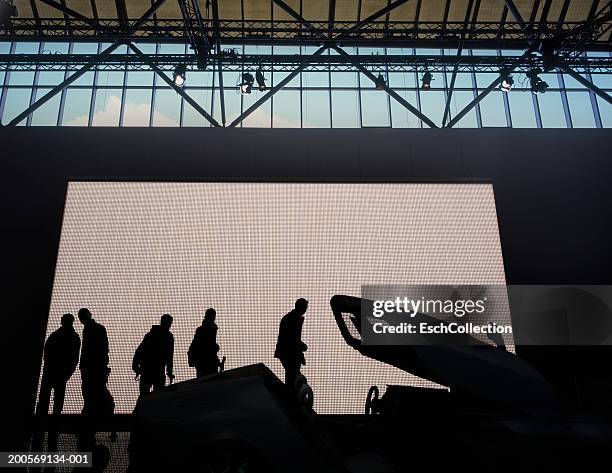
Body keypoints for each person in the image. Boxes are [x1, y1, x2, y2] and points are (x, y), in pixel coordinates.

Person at [37, 313, 81, 415]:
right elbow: (74, 358)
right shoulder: (74, 337)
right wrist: (68, 373)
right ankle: (54, 426)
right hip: (62, 373)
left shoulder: (54, 335)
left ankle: (41, 425)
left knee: (45, 398)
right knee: (58, 401)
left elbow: (46, 354)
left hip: (50, 372)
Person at [78, 308, 112, 416]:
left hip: (91, 369)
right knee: (97, 395)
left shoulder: (89, 330)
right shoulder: (98, 328)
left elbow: (88, 350)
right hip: (96, 368)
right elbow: (104, 349)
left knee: (89, 396)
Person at [132, 314, 175, 396]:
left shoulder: (150, 335)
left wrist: (135, 365)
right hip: (159, 371)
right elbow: (169, 356)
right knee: (158, 397)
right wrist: (169, 372)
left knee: (144, 396)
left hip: (146, 369)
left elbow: (139, 351)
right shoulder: (169, 337)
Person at [274, 298, 309, 389]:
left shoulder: (290, 318)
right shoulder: (294, 319)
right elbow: (292, 338)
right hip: (290, 353)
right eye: (305, 307)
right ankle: (291, 394)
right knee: (292, 375)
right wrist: (302, 346)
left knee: (291, 375)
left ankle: (290, 392)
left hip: (286, 352)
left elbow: (291, 338)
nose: (305, 310)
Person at [188, 308, 220, 377]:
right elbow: (206, 347)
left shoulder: (203, 330)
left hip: (204, 363)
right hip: (205, 363)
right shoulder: (207, 330)